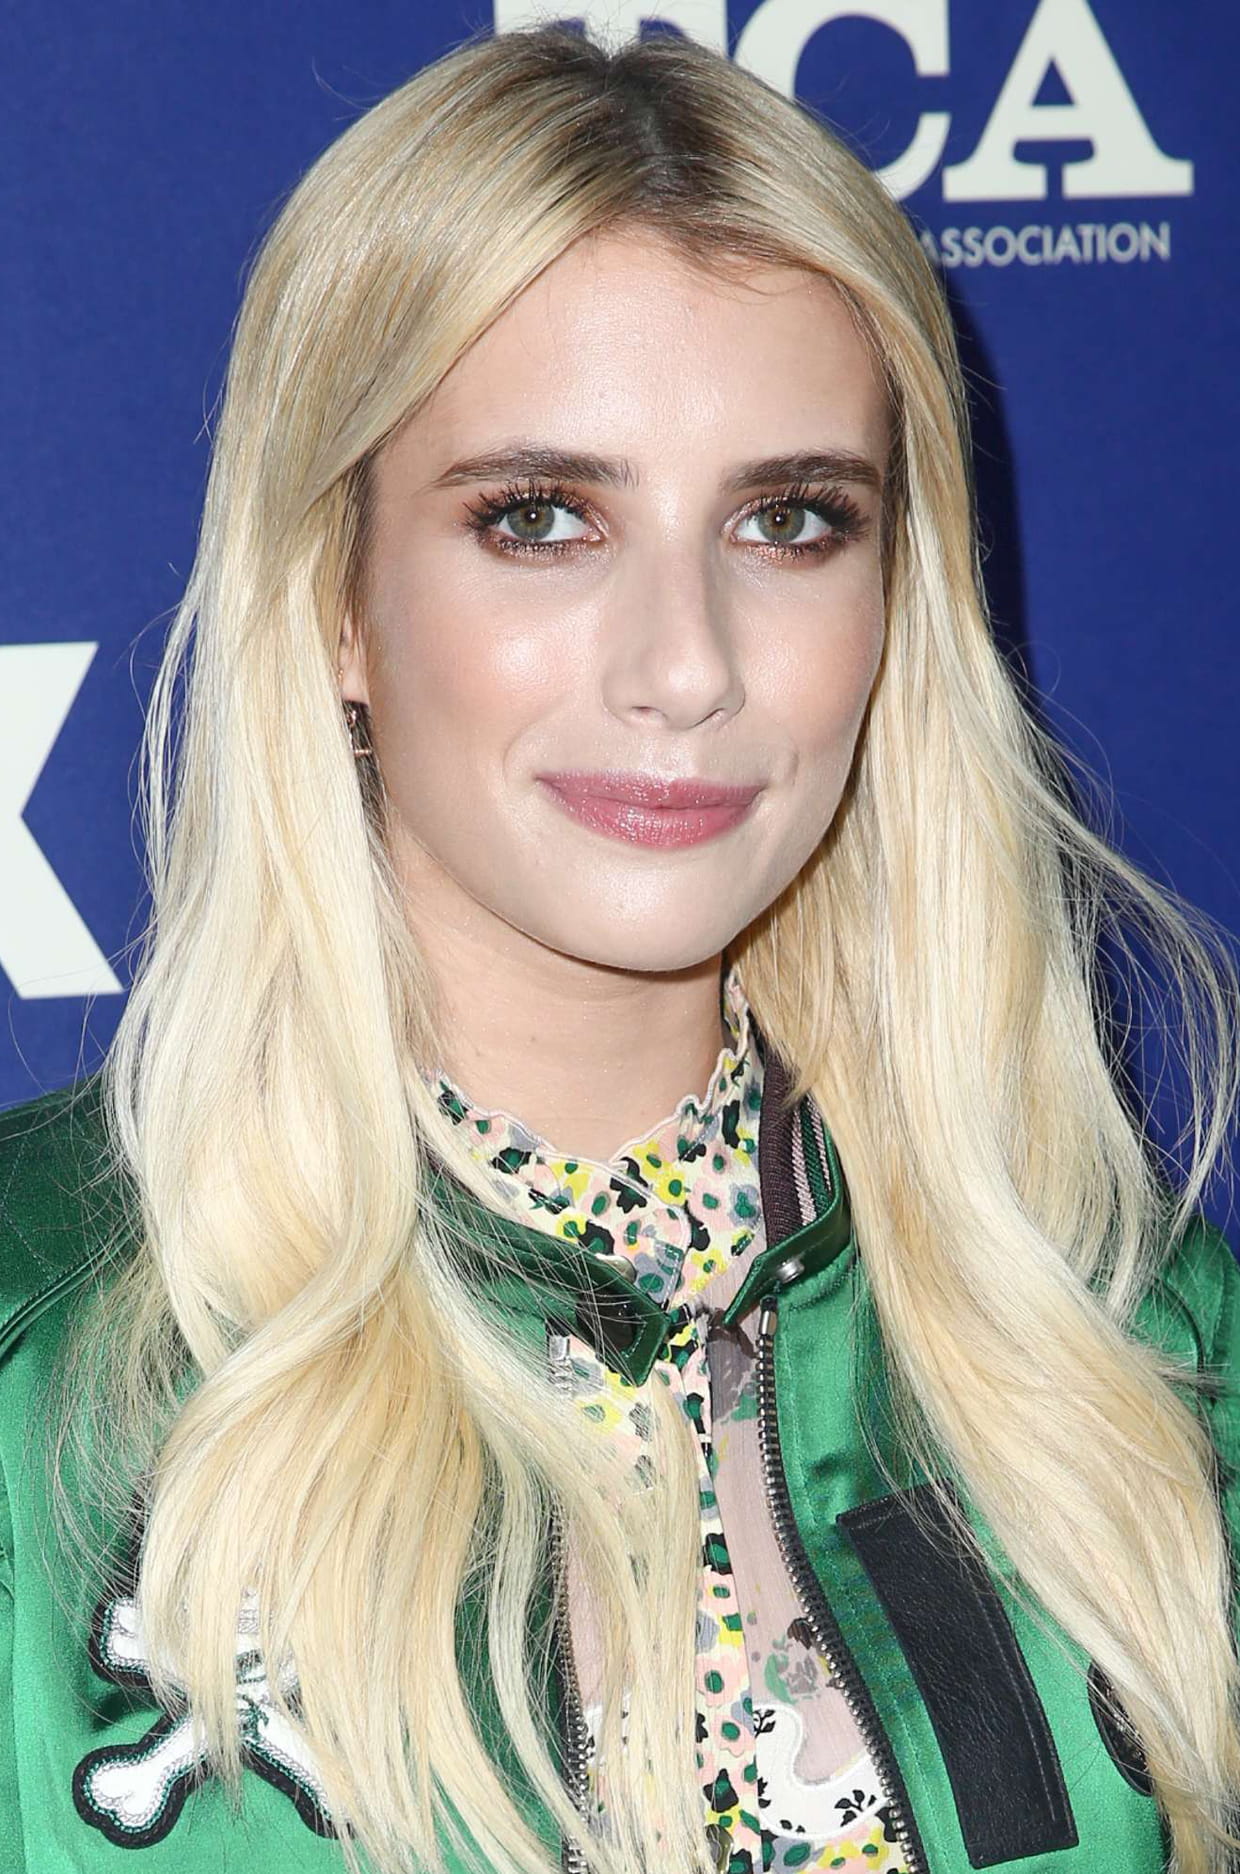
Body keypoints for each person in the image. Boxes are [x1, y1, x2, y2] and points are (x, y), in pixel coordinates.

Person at [0, 21, 1237, 1874]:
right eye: (542, 519)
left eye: (791, 521)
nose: (686, 664)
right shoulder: (38, 1352)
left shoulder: (1124, 1346)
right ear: (336, 595)